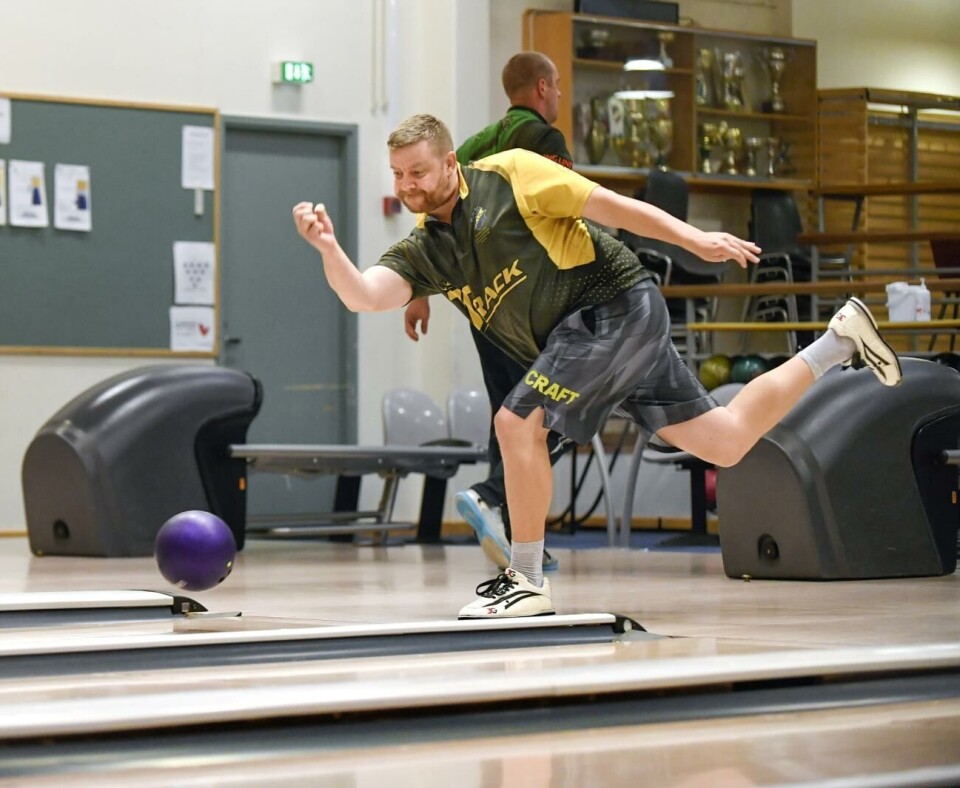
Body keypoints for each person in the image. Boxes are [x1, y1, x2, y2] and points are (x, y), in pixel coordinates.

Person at [292, 114, 901, 620]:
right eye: (399, 175)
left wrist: (695, 241)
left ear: (451, 163)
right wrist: (328, 250)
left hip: (614, 308)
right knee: (726, 442)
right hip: (592, 338)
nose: (410, 185)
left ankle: (526, 578)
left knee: (515, 423)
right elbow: (365, 295)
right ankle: (837, 341)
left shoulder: (513, 175)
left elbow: (613, 207)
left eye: (419, 171)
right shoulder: (429, 246)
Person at [402, 52, 573, 574]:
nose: (559, 96)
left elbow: (430, 206)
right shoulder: (544, 141)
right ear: (542, 88)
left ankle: (522, 542)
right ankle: (495, 495)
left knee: (509, 418)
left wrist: (417, 288)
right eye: (558, 87)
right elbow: (569, 210)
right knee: (561, 413)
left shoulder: (473, 145)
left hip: (481, 303)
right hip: (531, 301)